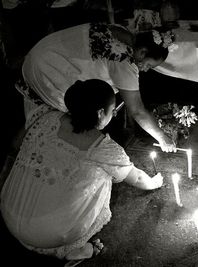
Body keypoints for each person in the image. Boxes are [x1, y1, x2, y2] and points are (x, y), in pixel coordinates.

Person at [0, 79, 164, 264]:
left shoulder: (44, 115)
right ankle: (73, 248)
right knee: (107, 173)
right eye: (113, 111)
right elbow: (137, 178)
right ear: (101, 113)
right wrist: (155, 182)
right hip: (49, 231)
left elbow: (15, 145)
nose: (114, 115)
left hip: (11, 211)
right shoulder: (103, 148)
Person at [18, 22, 177, 153]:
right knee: (60, 120)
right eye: (148, 64)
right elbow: (137, 110)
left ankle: (27, 147)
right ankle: (45, 154)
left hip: (41, 52)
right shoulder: (123, 59)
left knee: (53, 117)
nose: (146, 70)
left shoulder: (122, 32)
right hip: (50, 70)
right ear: (142, 51)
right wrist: (162, 137)